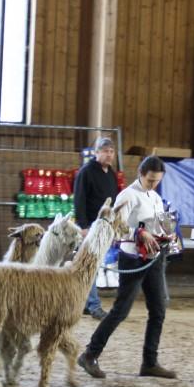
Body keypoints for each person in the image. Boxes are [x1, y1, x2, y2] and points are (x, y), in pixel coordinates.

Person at [77, 155, 177, 379]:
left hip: (154, 259)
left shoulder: (155, 197)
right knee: (120, 311)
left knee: (158, 311)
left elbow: (159, 225)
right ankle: (89, 355)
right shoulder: (128, 195)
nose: (153, 184)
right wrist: (139, 232)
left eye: (157, 181)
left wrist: (166, 235)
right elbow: (117, 227)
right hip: (133, 258)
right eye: (150, 180)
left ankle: (149, 363)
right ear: (141, 174)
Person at [74, 137, 119, 320]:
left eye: (111, 151)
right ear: (97, 152)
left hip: (105, 227)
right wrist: (83, 226)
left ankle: (84, 303)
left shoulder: (111, 174)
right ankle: (94, 305)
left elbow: (114, 201)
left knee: (92, 266)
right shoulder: (86, 172)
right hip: (90, 227)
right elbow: (79, 199)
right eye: (106, 151)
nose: (109, 155)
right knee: (92, 267)